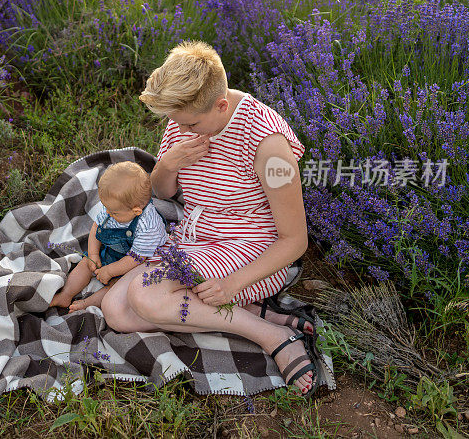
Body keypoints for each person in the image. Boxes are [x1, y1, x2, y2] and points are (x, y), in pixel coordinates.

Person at [100, 40, 321, 396]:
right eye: (176, 123)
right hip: (196, 238)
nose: (181, 131)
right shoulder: (187, 115)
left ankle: (273, 336)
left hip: (251, 249)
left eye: (190, 125)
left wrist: (231, 285)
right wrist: (168, 164)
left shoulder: (270, 147)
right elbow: (162, 192)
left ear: (222, 105)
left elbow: (295, 241)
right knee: (115, 311)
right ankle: (253, 313)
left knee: (146, 299)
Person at [51, 161, 168, 313]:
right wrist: (93, 254)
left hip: (140, 262)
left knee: (117, 287)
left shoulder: (148, 226)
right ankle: (66, 295)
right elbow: (96, 227)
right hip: (116, 251)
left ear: (137, 211)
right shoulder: (113, 209)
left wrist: (110, 271)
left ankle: (86, 303)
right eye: (106, 208)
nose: (107, 213)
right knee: (86, 263)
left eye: (113, 212)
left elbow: (136, 258)